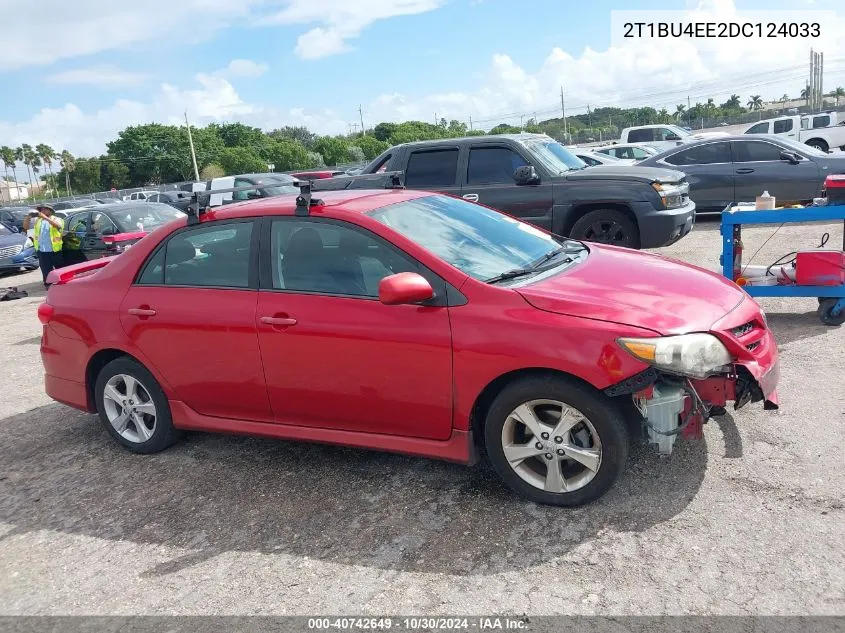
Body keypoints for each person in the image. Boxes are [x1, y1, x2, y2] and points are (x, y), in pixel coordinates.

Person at [27, 203, 65, 288]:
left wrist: (45, 218)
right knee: (45, 270)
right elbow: (25, 227)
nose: (42, 211)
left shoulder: (57, 219)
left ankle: (63, 284)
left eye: (45, 209)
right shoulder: (38, 221)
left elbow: (58, 226)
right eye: (41, 210)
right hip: (42, 250)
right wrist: (28, 217)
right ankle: (49, 285)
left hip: (54, 250)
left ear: (50, 210)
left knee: (60, 269)